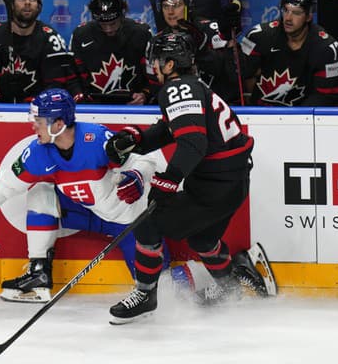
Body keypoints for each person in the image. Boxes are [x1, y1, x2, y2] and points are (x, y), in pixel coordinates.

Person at [106, 32, 276, 324]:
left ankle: (146, 294)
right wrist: (137, 139)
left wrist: (168, 180)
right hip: (232, 182)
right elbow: (173, 130)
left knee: (147, 223)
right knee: (203, 237)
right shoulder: (191, 86)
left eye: (158, 60)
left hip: (215, 183)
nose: (154, 66)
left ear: (171, 64)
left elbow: (193, 143)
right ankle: (231, 285)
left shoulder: (176, 89)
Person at [0, 88, 159, 303]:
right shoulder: (39, 151)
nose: (33, 125)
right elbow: (6, 185)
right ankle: (39, 274)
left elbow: (145, 159)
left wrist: (137, 175)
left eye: (39, 121)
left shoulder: (96, 140)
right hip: (88, 213)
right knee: (40, 192)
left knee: (160, 287)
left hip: (130, 221)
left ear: (58, 124)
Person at [0, 0, 77, 103]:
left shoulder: (51, 39)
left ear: (39, 6)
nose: (27, 2)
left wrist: (33, 102)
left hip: (38, 114)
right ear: (11, 4)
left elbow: (56, 85)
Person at [240, 0, 338, 107]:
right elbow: (239, 73)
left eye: (296, 13)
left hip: (304, 119)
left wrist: (295, 119)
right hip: (261, 115)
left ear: (309, 16)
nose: (288, 18)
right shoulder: (259, 36)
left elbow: (327, 96)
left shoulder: (327, 48)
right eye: (285, 10)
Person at [153, 0, 242, 104]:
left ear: (188, 6)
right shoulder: (157, 41)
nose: (170, 12)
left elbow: (226, 70)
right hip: (177, 105)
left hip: (214, 103)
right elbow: (155, 84)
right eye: (165, 6)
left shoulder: (210, 29)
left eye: (176, 5)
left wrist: (203, 47)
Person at [69, 0, 151, 105]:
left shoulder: (141, 34)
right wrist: (79, 96)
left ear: (122, 14)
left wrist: (145, 94)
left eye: (113, 23)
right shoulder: (81, 35)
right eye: (102, 24)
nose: (108, 29)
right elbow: (72, 76)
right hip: (92, 106)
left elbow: (154, 76)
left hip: (133, 107)